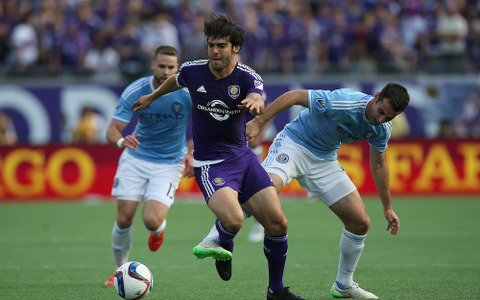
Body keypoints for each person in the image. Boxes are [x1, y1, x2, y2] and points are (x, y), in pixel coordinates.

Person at [132, 14, 304, 300]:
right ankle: (224, 246)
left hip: (244, 158)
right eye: (211, 44)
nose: (214, 50)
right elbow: (176, 79)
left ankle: (276, 290)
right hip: (210, 163)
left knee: (278, 224)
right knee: (235, 220)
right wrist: (152, 97)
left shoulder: (248, 77)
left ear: (235, 47)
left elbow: (259, 96)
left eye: (221, 45)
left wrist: (256, 103)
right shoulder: (193, 70)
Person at [237, 82, 409, 299]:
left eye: (389, 117)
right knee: (263, 191)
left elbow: (379, 165)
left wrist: (388, 207)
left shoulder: (382, 128)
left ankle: (344, 284)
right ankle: (217, 237)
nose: (381, 119)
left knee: (360, 222)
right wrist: (258, 123)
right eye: (381, 112)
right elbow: (294, 96)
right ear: (376, 97)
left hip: (324, 159)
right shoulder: (345, 101)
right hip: (295, 144)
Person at [104, 45, 193, 286]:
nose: (166, 71)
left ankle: (158, 230)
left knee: (151, 221)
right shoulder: (136, 90)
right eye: (161, 66)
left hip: (169, 163)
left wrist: (192, 153)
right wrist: (123, 140)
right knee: (124, 219)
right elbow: (112, 129)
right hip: (136, 157)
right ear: (152, 65)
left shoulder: (187, 91)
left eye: (171, 67)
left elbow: (205, 128)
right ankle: (119, 272)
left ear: (178, 68)